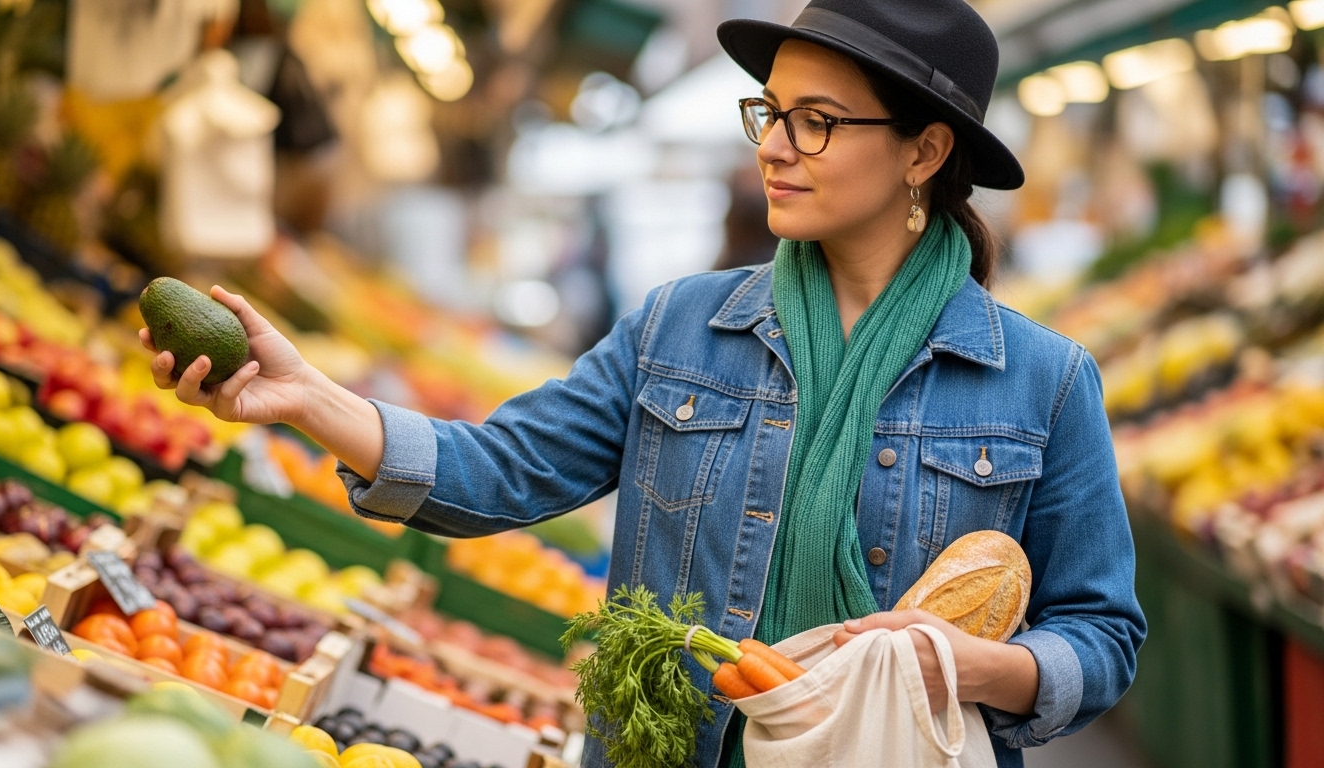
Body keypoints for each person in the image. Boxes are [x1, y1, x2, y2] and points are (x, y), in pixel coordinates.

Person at [142, 1, 1146, 766]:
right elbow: (498, 470)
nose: (773, 144)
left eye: (818, 121)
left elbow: (1098, 634)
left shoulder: (1043, 383)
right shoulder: (681, 328)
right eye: (770, 111)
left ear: (924, 151)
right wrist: (312, 397)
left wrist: (969, 666)